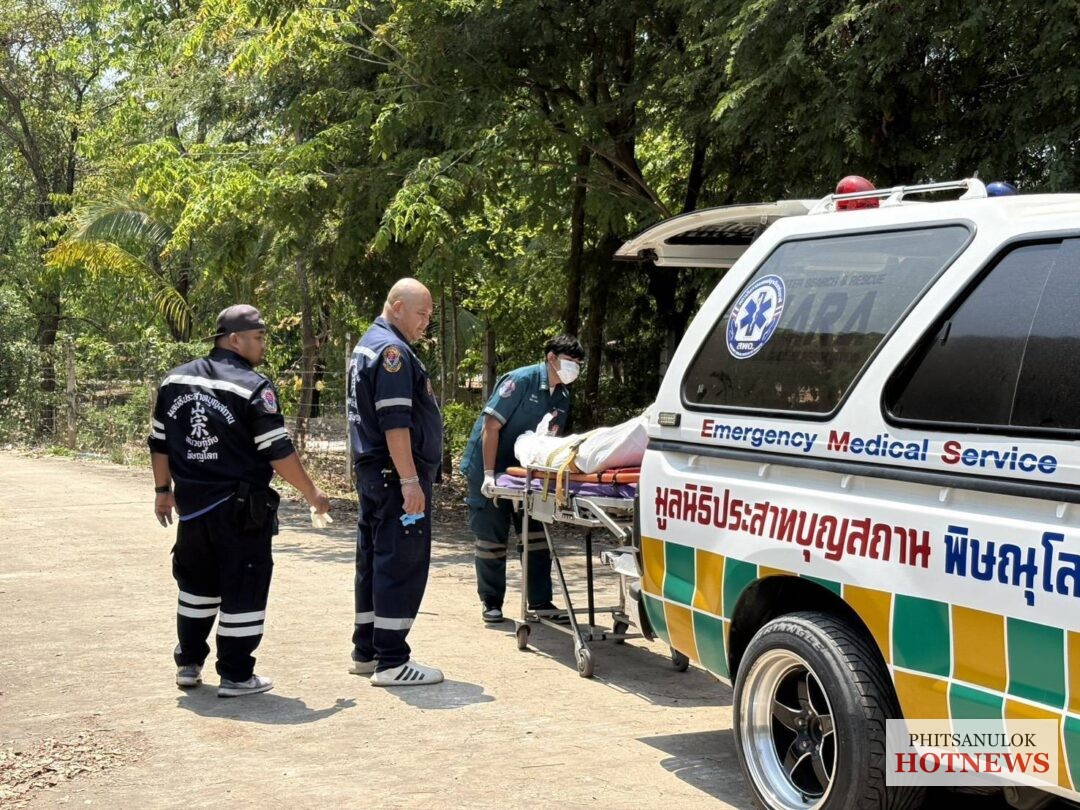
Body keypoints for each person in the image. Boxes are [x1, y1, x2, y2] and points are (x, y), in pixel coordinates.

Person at [149, 305, 331, 698]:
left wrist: (163, 492)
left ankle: (188, 663)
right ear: (234, 339)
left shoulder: (174, 380)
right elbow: (277, 450)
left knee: (196, 587)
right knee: (244, 587)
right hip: (240, 510)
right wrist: (311, 492)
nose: (263, 345)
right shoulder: (253, 387)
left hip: (192, 509)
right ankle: (235, 674)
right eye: (258, 338)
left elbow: (159, 443)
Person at [347, 278, 444, 686]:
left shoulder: (366, 346)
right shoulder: (393, 352)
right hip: (393, 476)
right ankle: (392, 660)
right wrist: (409, 480)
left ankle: (367, 650)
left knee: (373, 560)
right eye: (421, 314)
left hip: (373, 475)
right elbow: (395, 422)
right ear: (397, 306)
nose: (425, 323)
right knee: (400, 562)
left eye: (429, 316)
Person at [460, 335, 585, 624]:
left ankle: (540, 601)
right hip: (490, 465)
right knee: (491, 537)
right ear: (551, 358)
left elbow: (548, 443)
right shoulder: (520, 381)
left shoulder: (562, 396)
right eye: (570, 362)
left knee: (536, 536)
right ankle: (491, 602)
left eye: (579, 364)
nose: (575, 369)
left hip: (526, 474)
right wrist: (489, 474)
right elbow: (491, 426)